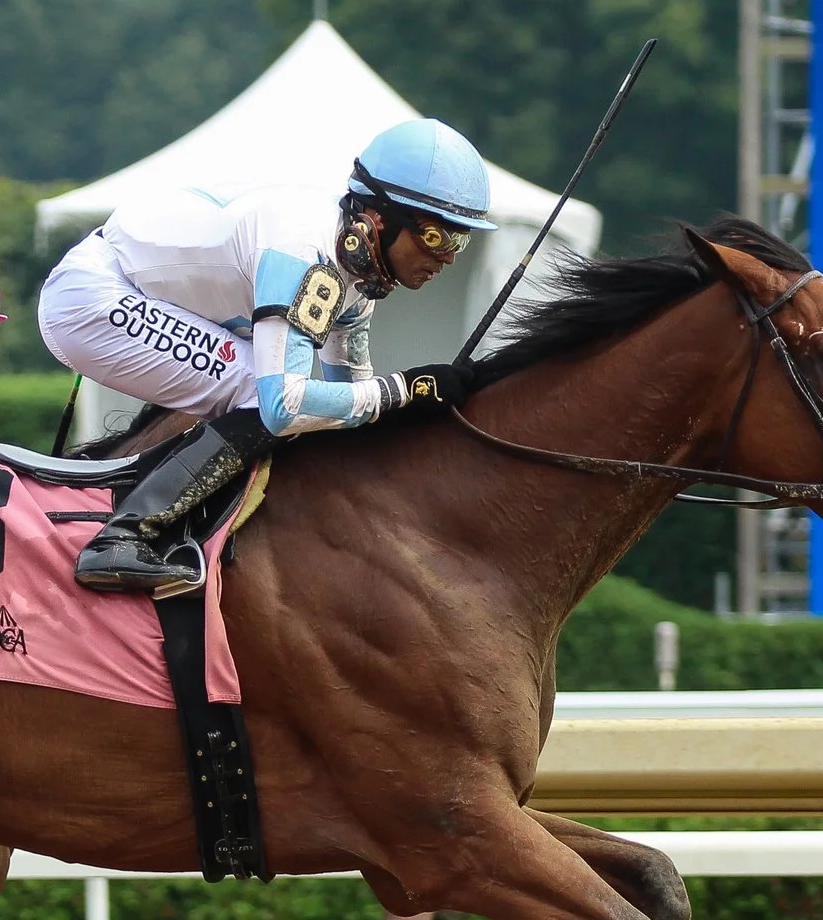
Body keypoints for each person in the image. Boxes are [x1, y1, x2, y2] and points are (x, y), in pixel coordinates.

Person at [36, 116, 490, 595]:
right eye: (437, 237)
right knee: (264, 388)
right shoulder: (303, 249)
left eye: (461, 240)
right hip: (92, 298)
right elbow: (284, 405)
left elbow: (352, 398)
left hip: (136, 287)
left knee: (291, 393)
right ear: (379, 219)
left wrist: (414, 410)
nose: (448, 257)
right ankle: (124, 536)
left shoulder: (358, 279)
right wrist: (406, 390)